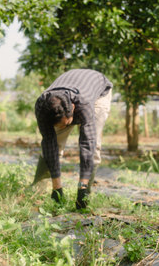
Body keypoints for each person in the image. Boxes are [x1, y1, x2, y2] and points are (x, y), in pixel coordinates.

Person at [32, 69, 113, 209]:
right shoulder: (42, 106)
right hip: (70, 87)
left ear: (73, 108)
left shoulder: (84, 104)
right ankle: (39, 190)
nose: (64, 126)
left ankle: (85, 193)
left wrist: (82, 187)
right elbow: (49, 143)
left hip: (99, 92)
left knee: (94, 147)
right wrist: (57, 188)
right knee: (53, 144)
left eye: (66, 123)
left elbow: (87, 144)